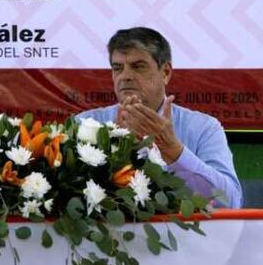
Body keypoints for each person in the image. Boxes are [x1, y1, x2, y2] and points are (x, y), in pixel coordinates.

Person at [77, 27, 242, 207]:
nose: (125, 76)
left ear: (166, 72)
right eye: (118, 68)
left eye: (138, 67)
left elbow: (231, 202)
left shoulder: (203, 128)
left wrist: (174, 152)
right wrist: (111, 149)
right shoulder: (85, 125)